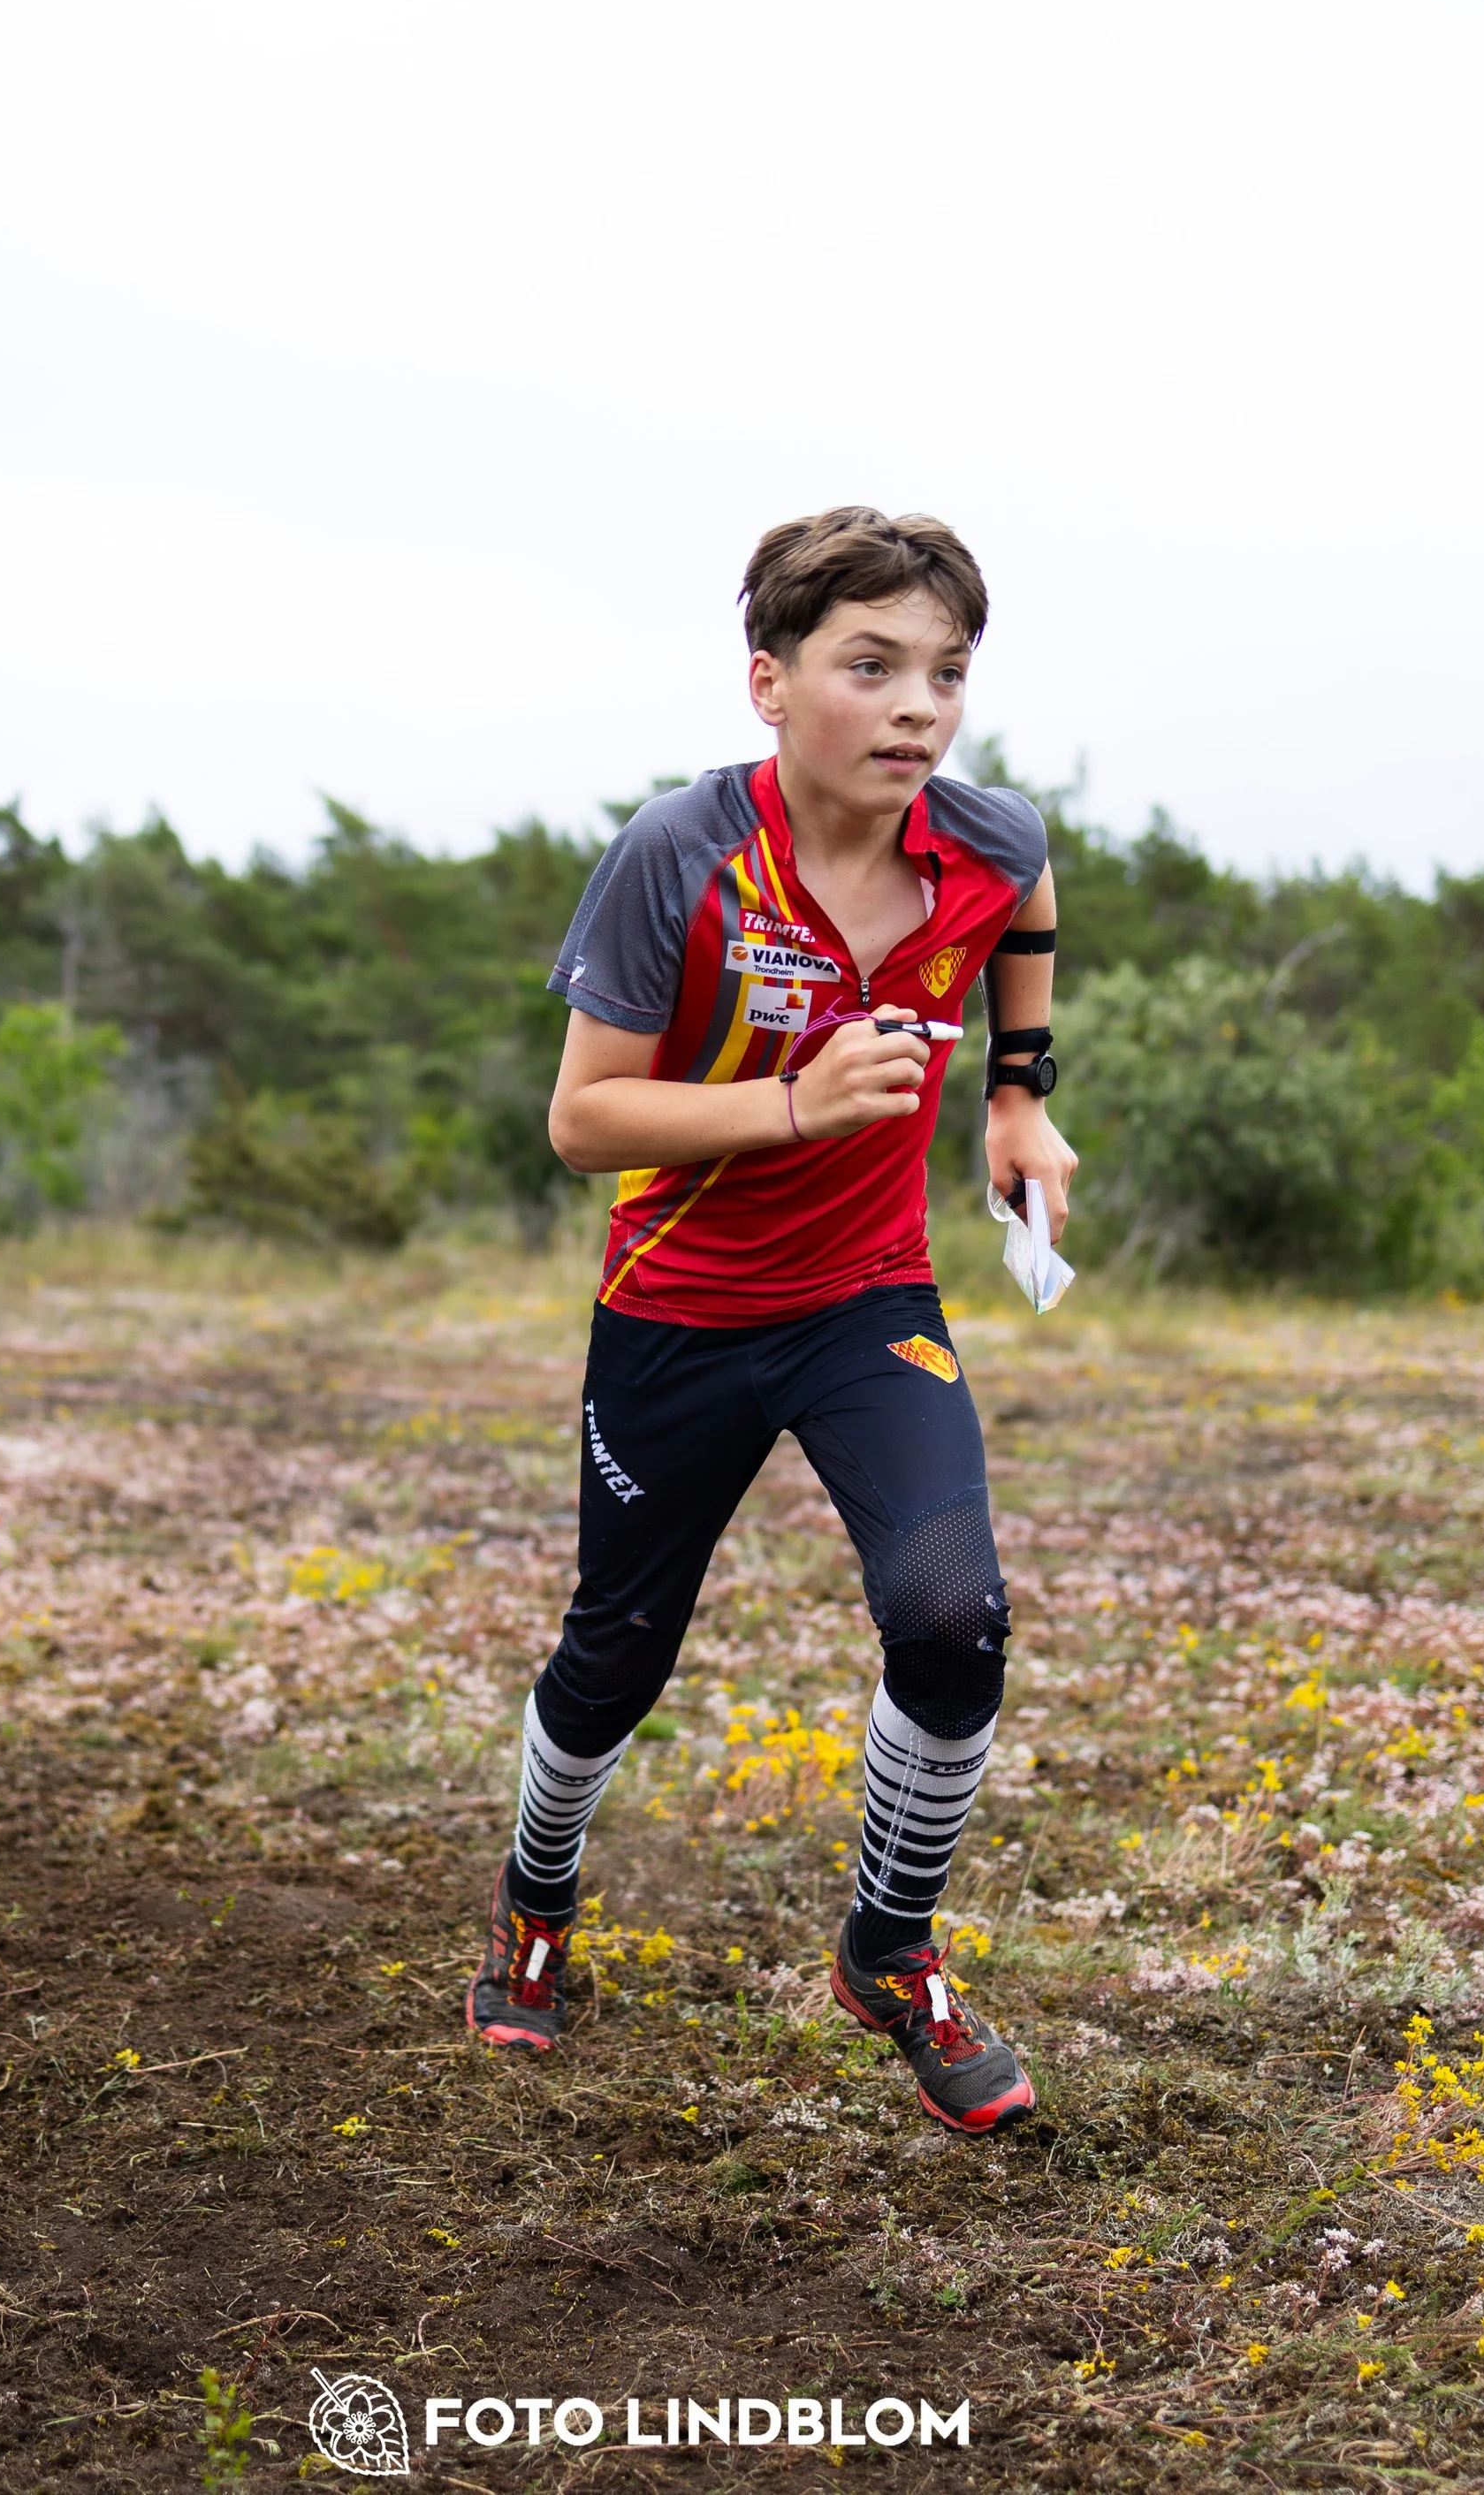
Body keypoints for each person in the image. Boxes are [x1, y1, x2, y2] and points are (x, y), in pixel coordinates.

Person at [464, 505, 1077, 2134]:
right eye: (869, 666)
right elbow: (583, 1124)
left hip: (869, 1301)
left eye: (944, 674)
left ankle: (888, 1948)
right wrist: (794, 1110)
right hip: (675, 1309)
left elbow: (1029, 898)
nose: (917, 709)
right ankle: (535, 1909)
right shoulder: (682, 851)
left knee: (955, 1618)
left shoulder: (984, 839)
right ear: (769, 682)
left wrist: (1019, 1100)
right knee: (616, 1659)